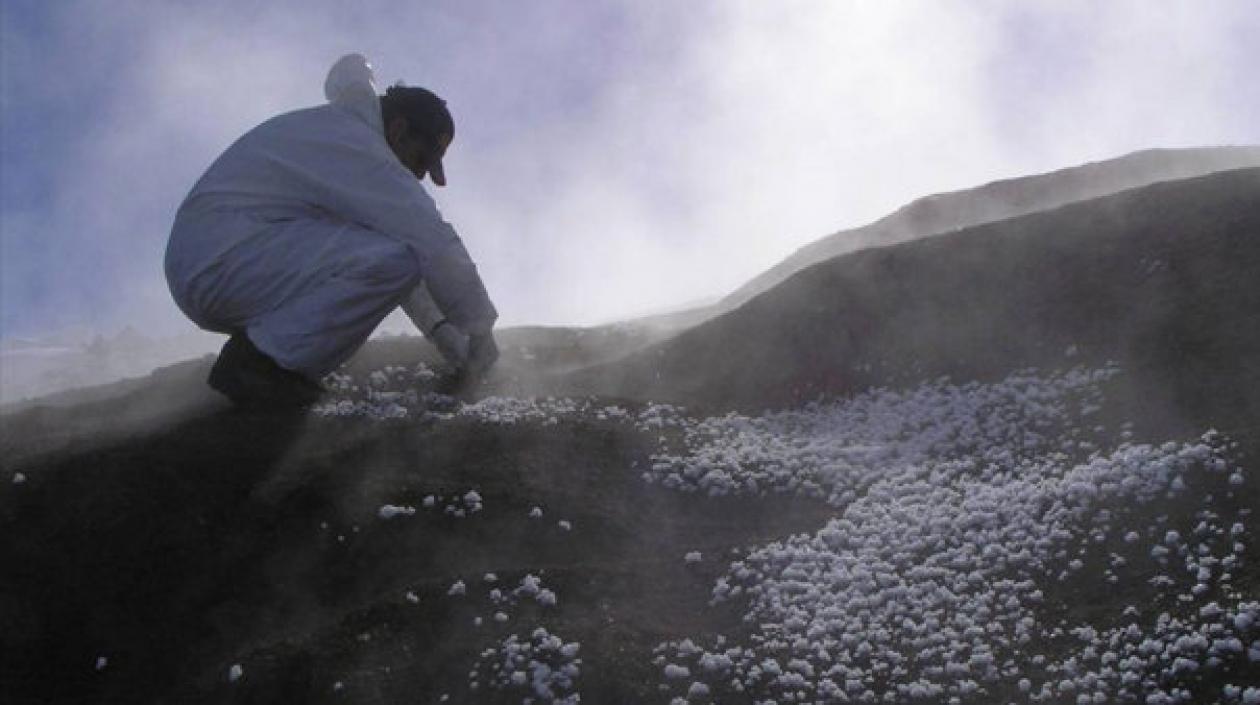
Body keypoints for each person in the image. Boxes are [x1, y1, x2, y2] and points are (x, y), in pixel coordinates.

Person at [165, 53, 498, 407]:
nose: (417, 177)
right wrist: (479, 328)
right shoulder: (361, 150)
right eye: (419, 160)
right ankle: (261, 365)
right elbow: (430, 243)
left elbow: (389, 257)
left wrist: (447, 335)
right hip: (224, 259)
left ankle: (266, 355)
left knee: (388, 256)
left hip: (222, 258)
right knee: (396, 259)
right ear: (398, 130)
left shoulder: (341, 134)